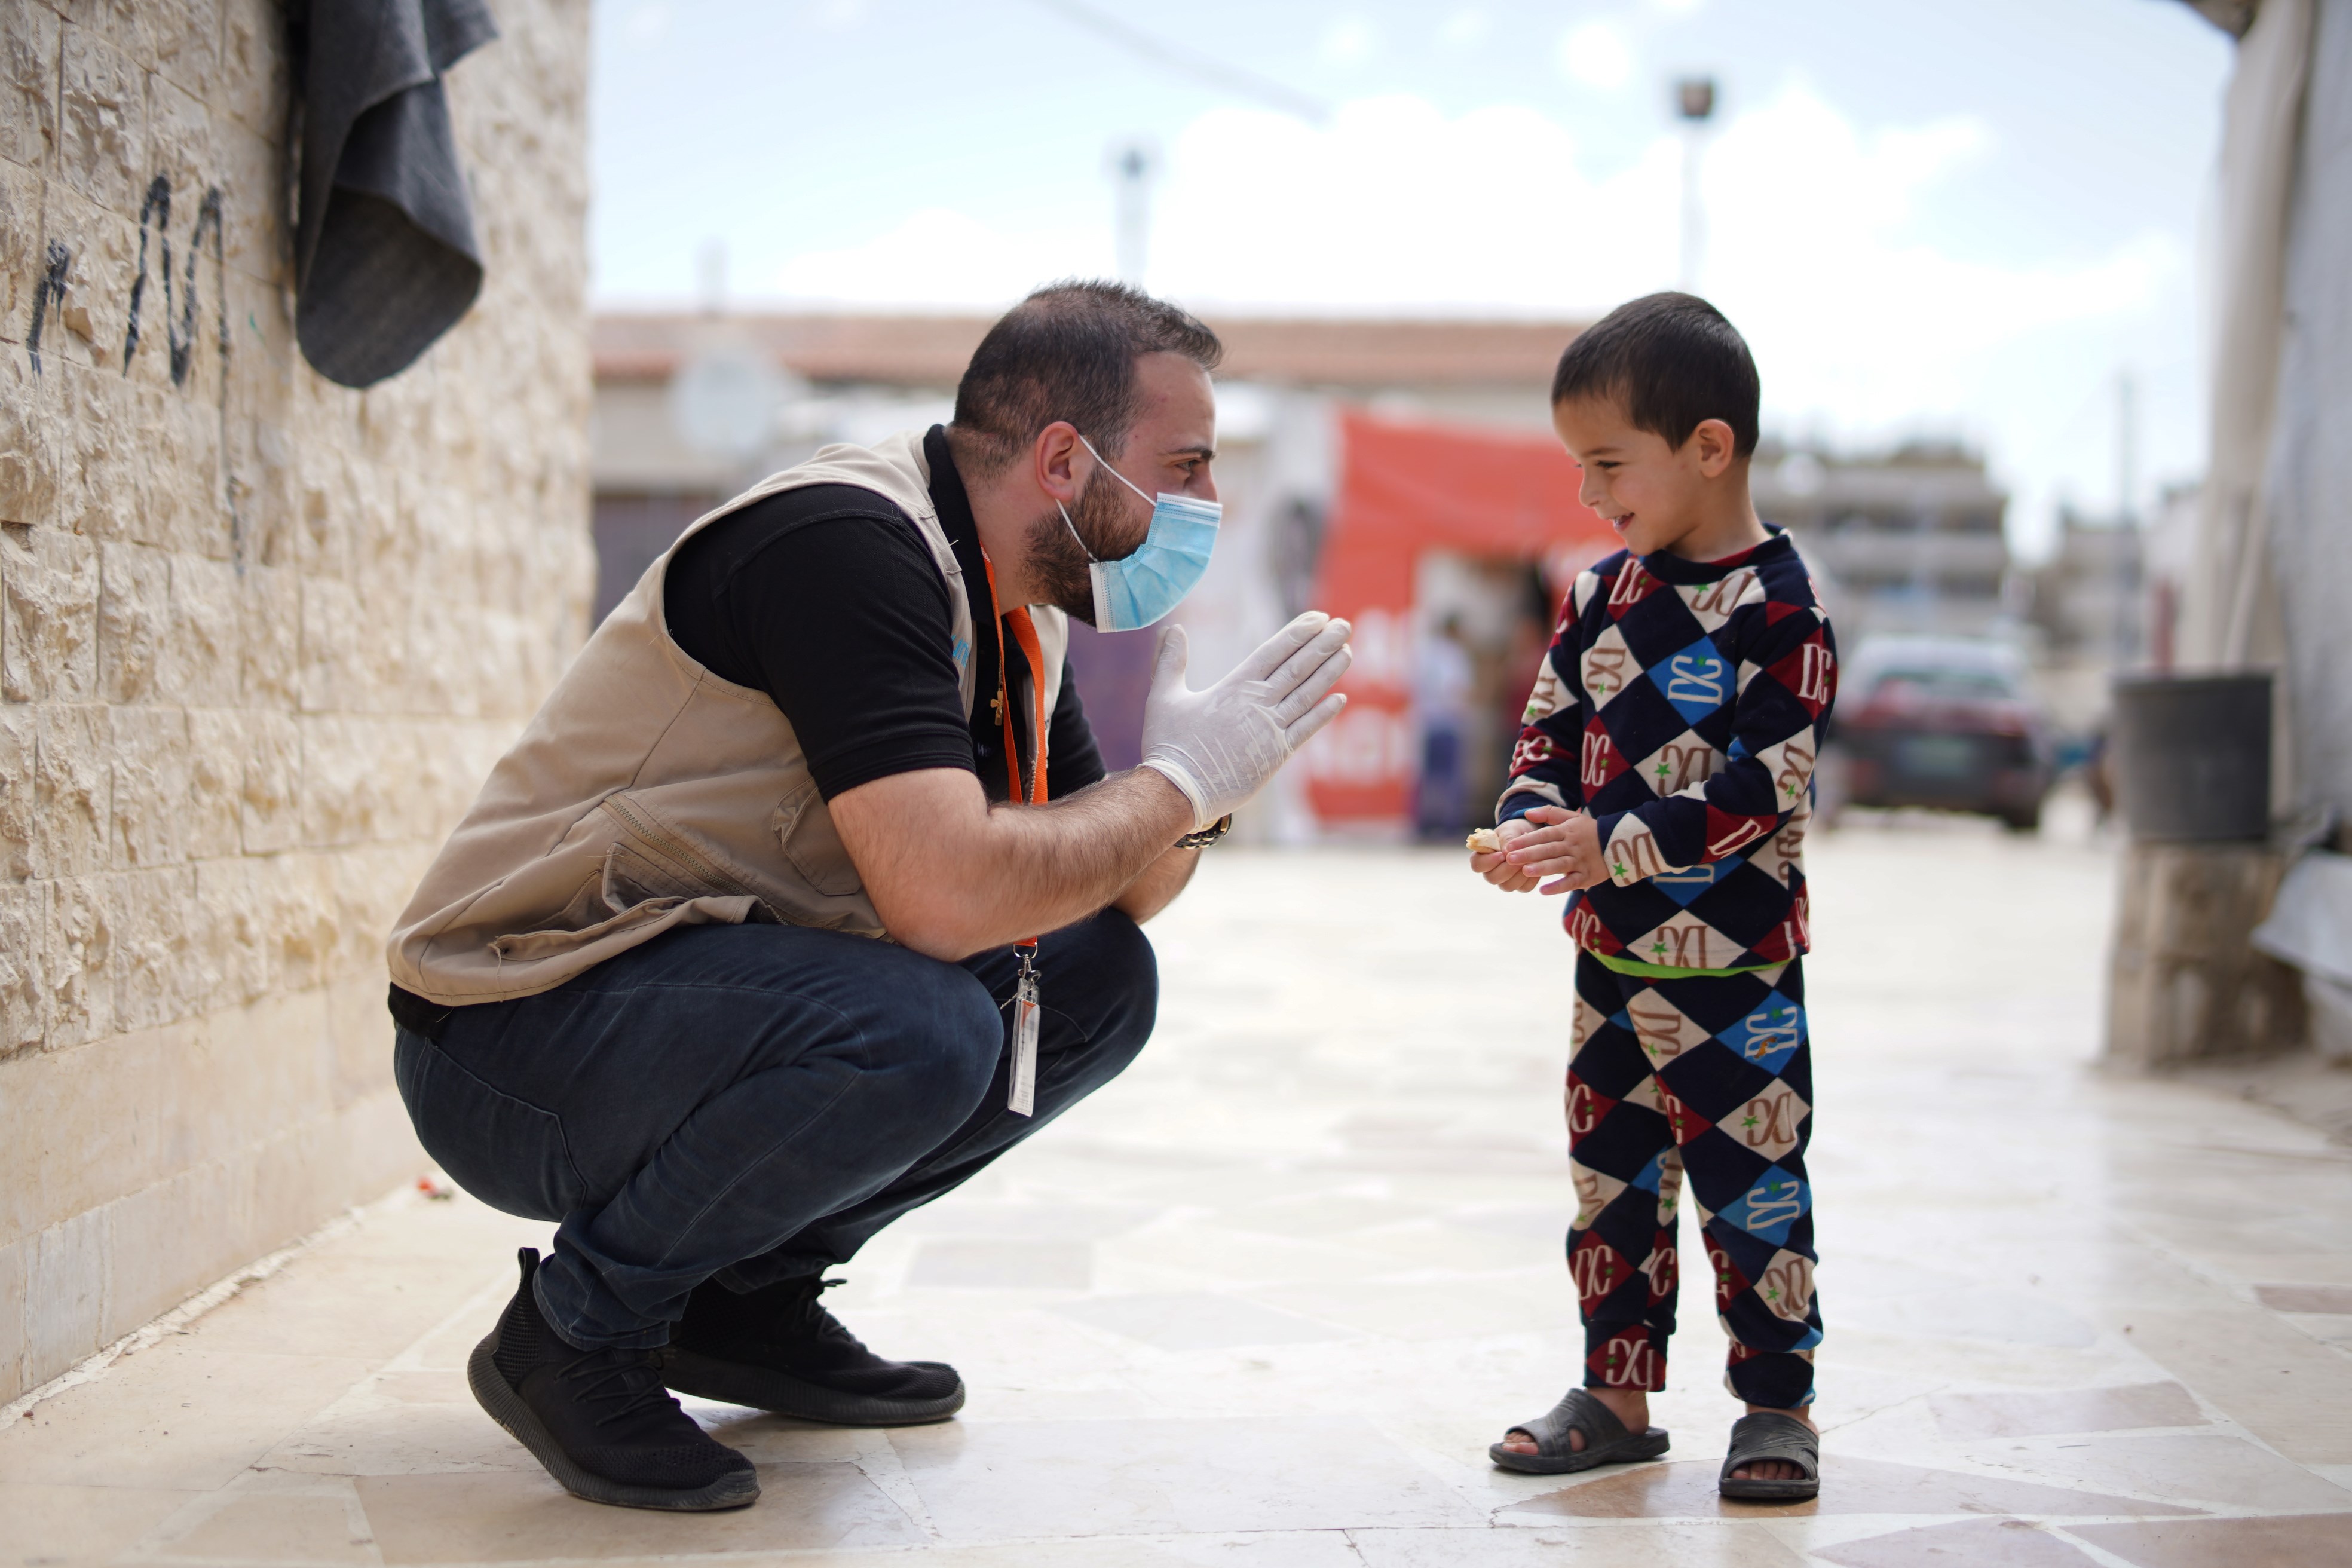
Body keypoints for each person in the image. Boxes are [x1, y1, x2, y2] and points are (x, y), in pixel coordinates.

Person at [383, 281, 1353, 1512]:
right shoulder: (847, 546)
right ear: (1066, 458)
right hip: (510, 1040)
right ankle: (575, 1331)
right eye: (1191, 466)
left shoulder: (1021, 609)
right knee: (925, 1028)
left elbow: (1117, 893)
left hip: (686, 1008)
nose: (1207, 507)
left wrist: (1198, 788)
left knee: (1101, 981)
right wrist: (1174, 783)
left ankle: (746, 1301)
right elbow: (947, 900)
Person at [1468, 293, 1838, 1502]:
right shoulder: (1595, 598)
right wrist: (1530, 825)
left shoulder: (1783, 614)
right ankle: (1614, 1395)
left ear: (1711, 446)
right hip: (1610, 968)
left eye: (1609, 464)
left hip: (1738, 980)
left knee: (1754, 1188)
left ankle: (1777, 1407)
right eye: (1580, 467)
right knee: (1609, 1183)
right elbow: (1547, 735)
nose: (1589, 496)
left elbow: (1757, 794)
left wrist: (1606, 839)